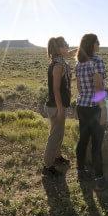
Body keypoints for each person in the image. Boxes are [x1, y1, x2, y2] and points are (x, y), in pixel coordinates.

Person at [75, 33, 107, 191]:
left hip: (81, 105)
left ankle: (80, 171)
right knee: (97, 143)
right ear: (92, 45)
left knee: (83, 140)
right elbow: (99, 87)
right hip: (95, 107)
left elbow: (79, 88)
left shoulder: (79, 63)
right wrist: (103, 108)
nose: (99, 43)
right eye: (97, 41)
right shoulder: (97, 61)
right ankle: (99, 177)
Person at [43, 36, 76, 177]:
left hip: (56, 105)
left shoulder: (60, 61)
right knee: (55, 136)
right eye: (66, 45)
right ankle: (47, 166)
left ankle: (57, 157)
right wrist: (61, 109)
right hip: (56, 107)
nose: (68, 46)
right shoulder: (58, 66)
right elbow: (56, 89)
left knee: (58, 134)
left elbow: (71, 53)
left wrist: (83, 46)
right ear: (59, 49)